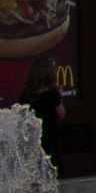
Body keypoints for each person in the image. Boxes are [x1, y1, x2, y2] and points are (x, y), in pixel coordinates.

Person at [18, 54, 66, 182]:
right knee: (48, 169)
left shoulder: (26, 95)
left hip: (32, 137)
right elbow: (61, 114)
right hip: (49, 136)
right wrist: (60, 97)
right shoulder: (52, 94)